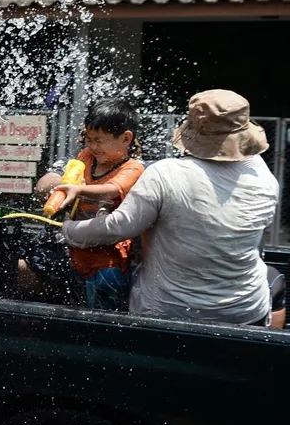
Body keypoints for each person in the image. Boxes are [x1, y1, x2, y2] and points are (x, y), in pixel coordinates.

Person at [64, 90, 278, 325]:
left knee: (113, 279)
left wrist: (69, 229)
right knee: (275, 280)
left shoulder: (165, 173)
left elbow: (117, 227)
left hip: (167, 312)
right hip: (246, 311)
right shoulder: (264, 176)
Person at [42, 98, 146, 310]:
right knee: (75, 307)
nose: (92, 146)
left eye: (99, 140)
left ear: (126, 139)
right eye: (88, 139)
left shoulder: (133, 167)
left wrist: (78, 190)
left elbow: (113, 189)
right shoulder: (87, 157)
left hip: (108, 260)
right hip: (77, 250)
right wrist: (63, 189)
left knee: (102, 312)